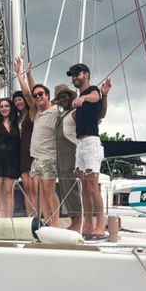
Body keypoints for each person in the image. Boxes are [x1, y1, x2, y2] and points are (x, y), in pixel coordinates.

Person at [15, 56, 60, 226]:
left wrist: (30, 76)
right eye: (36, 95)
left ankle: (55, 222)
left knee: (49, 191)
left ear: (48, 96)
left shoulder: (55, 111)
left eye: (41, 94)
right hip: (36, 159)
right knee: (38, 191)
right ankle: (46, 220)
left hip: (49, 157)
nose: (38, 97)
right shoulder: (36, 112)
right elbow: (27, 93)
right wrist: (21, 74)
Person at [68, 63, 108, 239]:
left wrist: (83, 99)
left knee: (92, 186)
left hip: (92, 142)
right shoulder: (82, 99)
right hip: (81, 143)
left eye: (77, 74)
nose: (74, 77)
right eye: (73, 75)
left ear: (87, 74)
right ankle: (88, 226)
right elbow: (102, 114)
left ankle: (100, 225)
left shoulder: (92, 91)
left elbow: (93, 96)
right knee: (84, 187)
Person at [52, 84, 82, 233]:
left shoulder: (76, 112)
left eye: (64, 96)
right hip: (60, 155)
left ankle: (78, 222)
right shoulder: (63, 114)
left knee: (71, 188)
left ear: (70, 97)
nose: (62, 100)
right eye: (59, 98)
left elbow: (94, 118)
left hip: (70, 152)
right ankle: (73, 220)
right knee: (65, 189)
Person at [13, 66, 37, 216]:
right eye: (15, 101)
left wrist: (23, 75)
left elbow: (30, 94)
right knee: (26, 188)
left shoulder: (33, 112)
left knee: (34, 188)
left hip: (33, 153)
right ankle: (30, 218)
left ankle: (36, 216)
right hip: (21, 155)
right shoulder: (17, 118)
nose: (18, 102)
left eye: (20, 99)